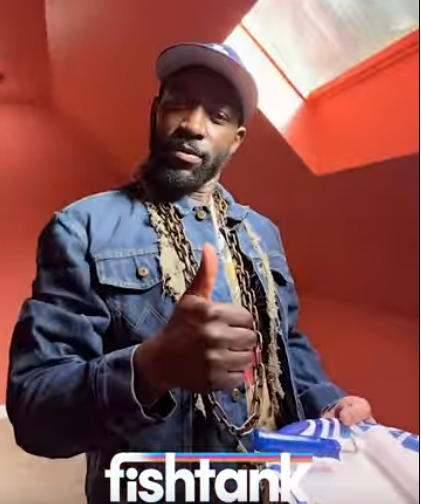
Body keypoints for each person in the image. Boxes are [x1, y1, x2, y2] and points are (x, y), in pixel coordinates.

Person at [6, 42, 373, 503]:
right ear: (155, 112)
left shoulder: (263, 235)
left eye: (217, 117)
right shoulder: (82, 228)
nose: (192, 126)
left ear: (236, 139)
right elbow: (35, 412)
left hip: (272, 483)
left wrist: (327, 401)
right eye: (178, 104)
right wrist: (150, 367)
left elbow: (286, 343)